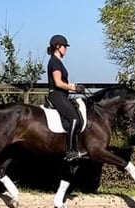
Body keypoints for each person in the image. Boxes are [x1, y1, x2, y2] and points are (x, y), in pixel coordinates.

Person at [46, 34, 86, 162]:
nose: (66, 49)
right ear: (57, 47)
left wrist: (76, 87)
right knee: (74, 118)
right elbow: (58, 82)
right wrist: (74, 88)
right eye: (64, 46)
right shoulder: (55, 62)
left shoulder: (57, 62)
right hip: (56, 94)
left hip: (61, 94)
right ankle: (70, 151)